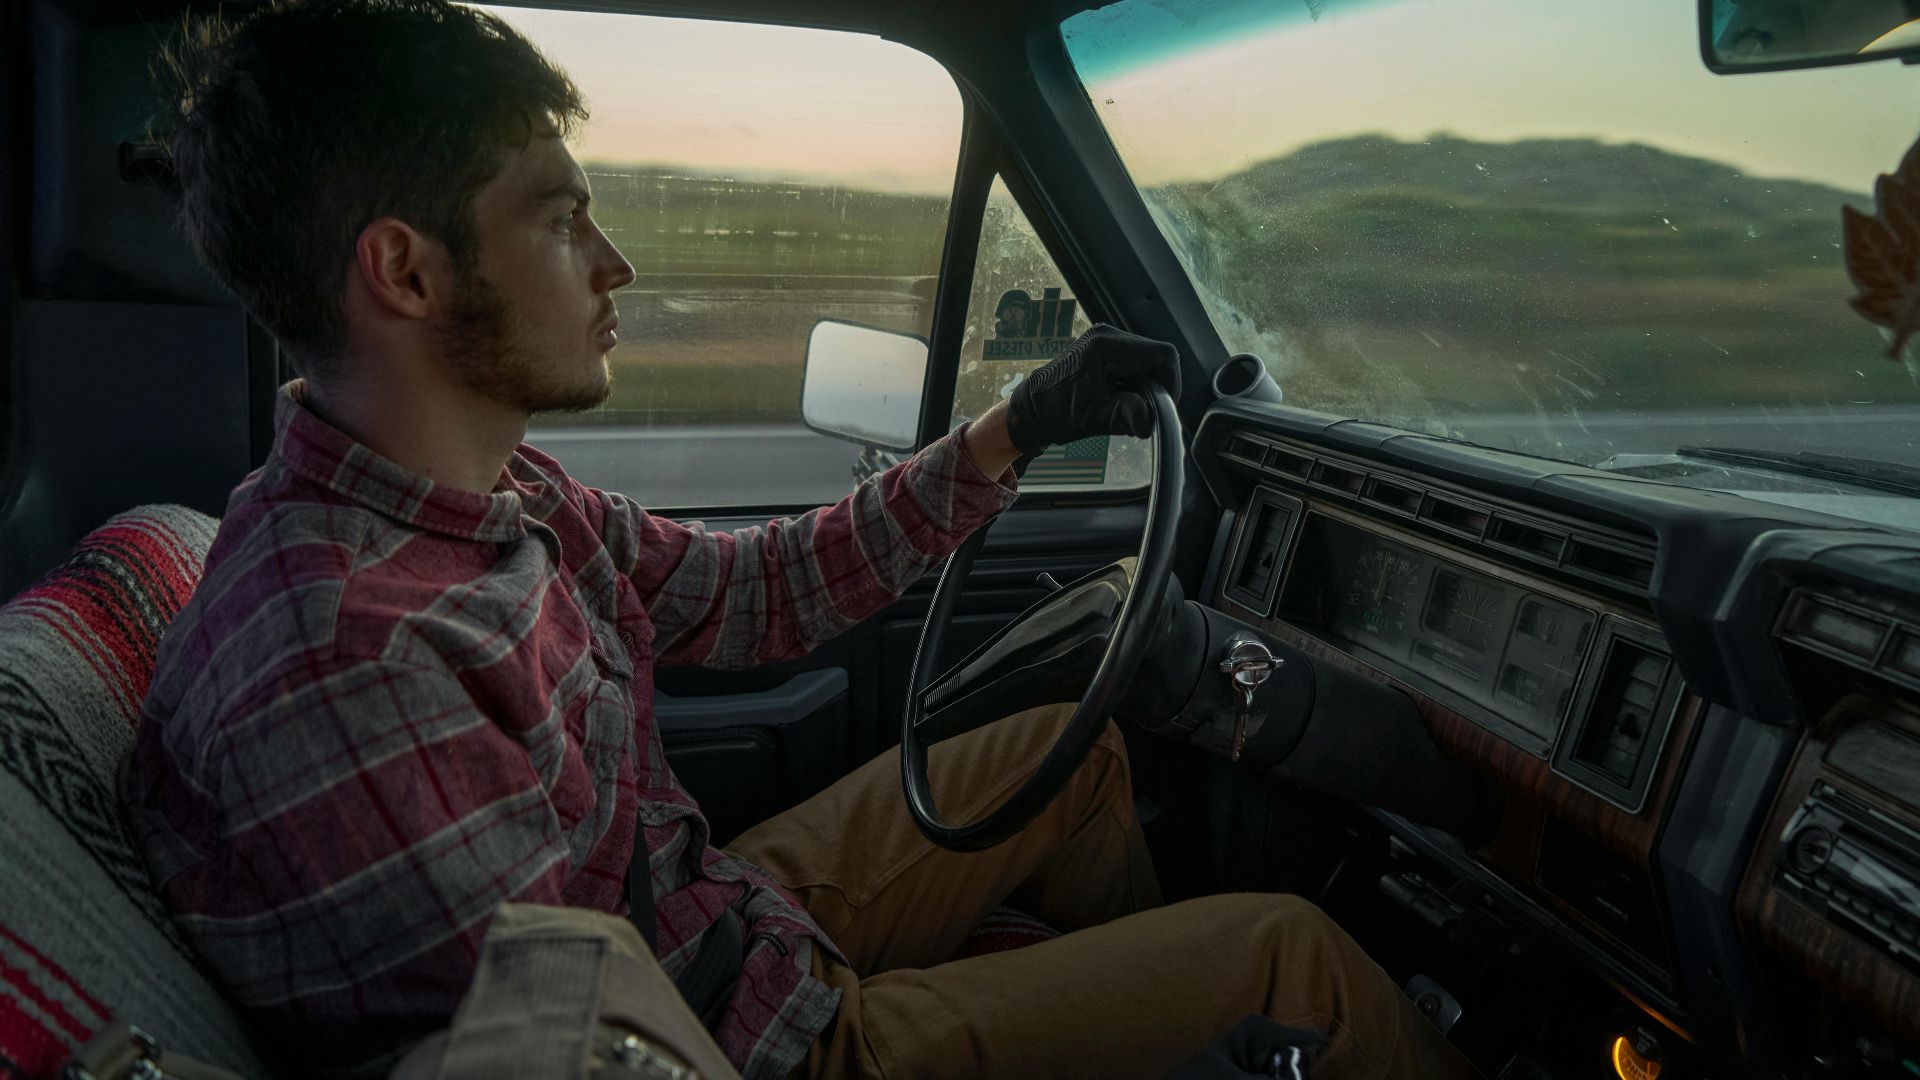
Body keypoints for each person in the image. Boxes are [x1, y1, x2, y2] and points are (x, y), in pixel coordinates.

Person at [116, 2, 1482, 1077]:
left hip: (692, 931)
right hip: (735, 1037)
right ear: (405, 271)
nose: (614, 263)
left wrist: (1014, 429)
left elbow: (747, 593)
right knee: (1292, 960)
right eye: (556, 215)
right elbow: (598, 1048)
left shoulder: (482, 494)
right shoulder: (357, 657)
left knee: (1068, 763)